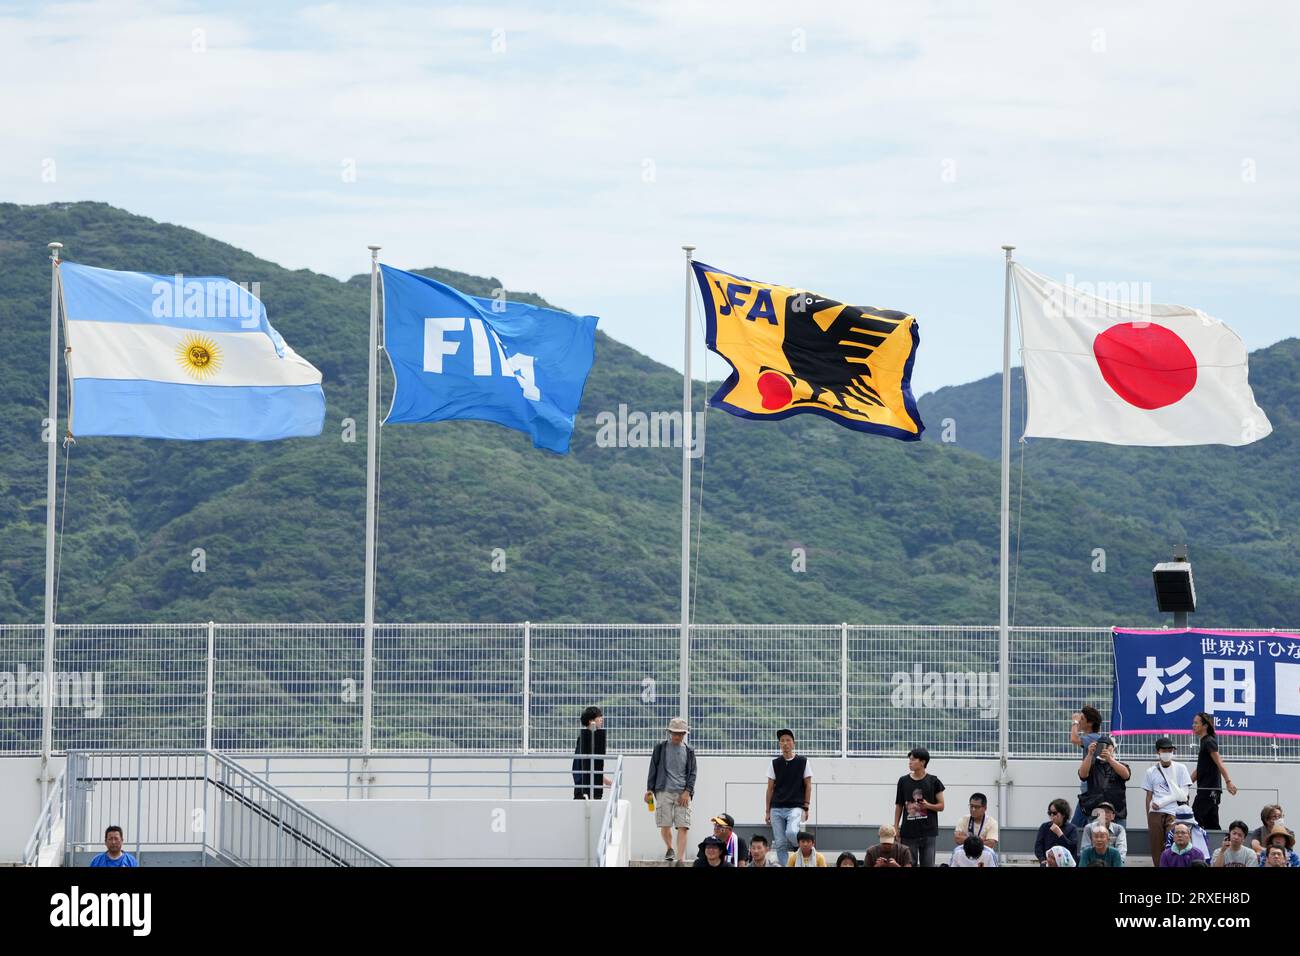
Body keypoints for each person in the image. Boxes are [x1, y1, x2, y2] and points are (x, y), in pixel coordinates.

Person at [645, 716, 696, 863]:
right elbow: (653, 769)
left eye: (681, 733)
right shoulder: (660, 748)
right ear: (669, 732)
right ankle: (669, 848)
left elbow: (693, 773)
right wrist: (649, 789)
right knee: (665, 823)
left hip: (683, 793)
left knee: (683, 825)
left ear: (685, 734)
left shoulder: (689, 751)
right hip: (663, 790)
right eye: (675, 733)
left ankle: (680, 858)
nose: (678, 736)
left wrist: (688, 791)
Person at [765, 728, 812, 866]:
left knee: (792, 832)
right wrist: (767, 811)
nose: (785, 743)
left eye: (788, 740)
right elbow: (769, 789)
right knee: (779, 843)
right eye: (782, 741)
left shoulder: (803, 761)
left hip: (795, 806)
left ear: (793, 743)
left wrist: (806, 806)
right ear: (779, 744)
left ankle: (801, 849)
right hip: (776, 807)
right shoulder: (774, 763)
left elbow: (808, 785)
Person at [1142, 736, 1191, 868]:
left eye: (1170, 749)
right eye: (1164, 750)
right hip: (1155, 813)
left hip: (1174, 812)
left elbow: (1184, 794)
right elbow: (1148, 796)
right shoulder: (1151, 771)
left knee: (1175, 843)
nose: (1168, 752)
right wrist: (1149, 817)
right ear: (1158, 751)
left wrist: (1164, 801)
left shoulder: (1181, 768)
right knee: (1156, 847)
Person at [893, 746, 945, 867]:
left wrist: (928, 805)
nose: (910, 762)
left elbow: (941, 806)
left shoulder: (934, 781)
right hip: (908, 832)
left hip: (928, 832)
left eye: (913, 759)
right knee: (909, 864)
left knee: (928, 864)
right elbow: (899, 805)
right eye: (909, 759)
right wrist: (896, 826)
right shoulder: (903, 781)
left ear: (923, 762)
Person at [1190, 711, 1237, 832]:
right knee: (1211, 823)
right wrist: (1186, 784)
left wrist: (1228, 782)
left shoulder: (1209, 741)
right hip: (1209, 790)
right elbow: (1200, 768)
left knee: (1195, 817)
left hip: (1209, 790)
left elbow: (1219, 763)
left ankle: (1199, 847)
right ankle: (1218, 848)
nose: (1193, 725)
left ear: (1205, 726)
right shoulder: (1204, 741)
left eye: (1196, 723)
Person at [1077, 734, 1131, 824]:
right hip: (1095, 813)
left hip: (1117, 813)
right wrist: (1090, 754)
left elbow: (1126, 775)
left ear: (1113, 749)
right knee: (1095, 837)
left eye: (1107, 746)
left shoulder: (1120, 765)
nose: (1103, 748)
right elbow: (1082, 775)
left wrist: (1109, 759)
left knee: (1118, 837)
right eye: (1101, 746)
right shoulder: (1092, 765)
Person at [1069, 706, 1105, 827]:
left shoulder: (1093, 737)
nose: (1080, 721)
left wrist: (1074, 722)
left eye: (1082, 719)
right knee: (1078, 825)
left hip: (1090, 791)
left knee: (1079, 827)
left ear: (1090, 723)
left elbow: (1074, 739)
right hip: (1090, 791)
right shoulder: (1092, 738)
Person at [571, 705, 612, 800]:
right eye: (599, 716)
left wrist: (605, 781)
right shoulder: (584, 740)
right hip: (584, 791)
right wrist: (606, 781)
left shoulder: (591, 738)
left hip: (589, 789)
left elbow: (591, 766)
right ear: (591, 721)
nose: (602, 719)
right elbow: (586, 766)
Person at [1035, 799, 1078, 866]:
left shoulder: (1072, 828)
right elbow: (1038, 846)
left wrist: (1060, 834)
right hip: (1048, 863)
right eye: (1050, 813)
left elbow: (1072, 848)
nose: (1052, 816)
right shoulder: (1044, 827)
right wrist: (1042, 859)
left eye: (1054, 813)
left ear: (1063, 814)